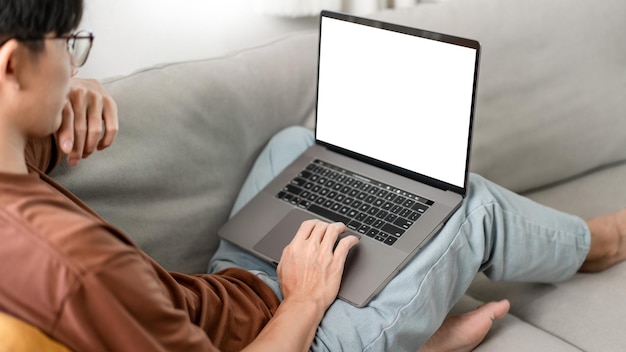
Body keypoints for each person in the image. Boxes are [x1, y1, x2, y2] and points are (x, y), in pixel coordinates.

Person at [1, 0, 625, 351]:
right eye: (69, 45)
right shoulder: (77, 265)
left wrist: (71, 96)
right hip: (294, 336)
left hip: (237, 287)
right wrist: (305, 296)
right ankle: (599, 246)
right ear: (11, 67)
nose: (77, 61)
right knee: (463, 201)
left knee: (297, 146)